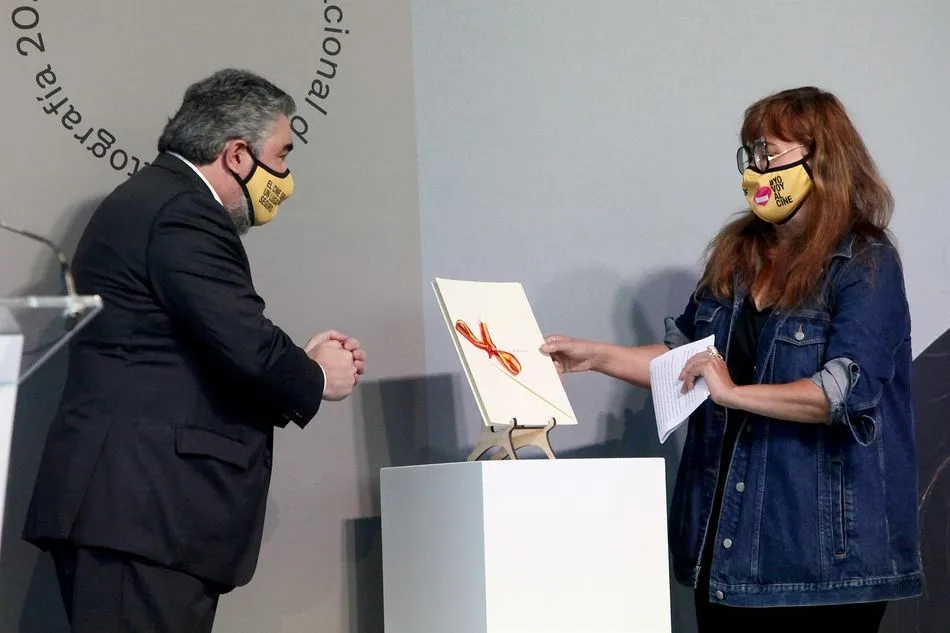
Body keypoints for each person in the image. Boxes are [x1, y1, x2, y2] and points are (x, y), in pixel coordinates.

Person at [541, 86, 921, 632]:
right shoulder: (739, 256)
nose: (755, 171)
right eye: (749, 155)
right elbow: (688, 359)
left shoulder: (865, 261)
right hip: (726, 551)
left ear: (822, 157)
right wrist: (593, 356)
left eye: (769, 153)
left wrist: (733, 393)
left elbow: (841, 391)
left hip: (820, 565)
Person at [22, 69, 365, 632]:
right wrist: (317, 376)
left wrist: (298, 363)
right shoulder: (182, 210)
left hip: (138, 517)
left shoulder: (156, 201)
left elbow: (206, 341)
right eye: (281, 154)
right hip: (140, 515)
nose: (285, 175)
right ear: (236, 154)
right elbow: (243, 339)